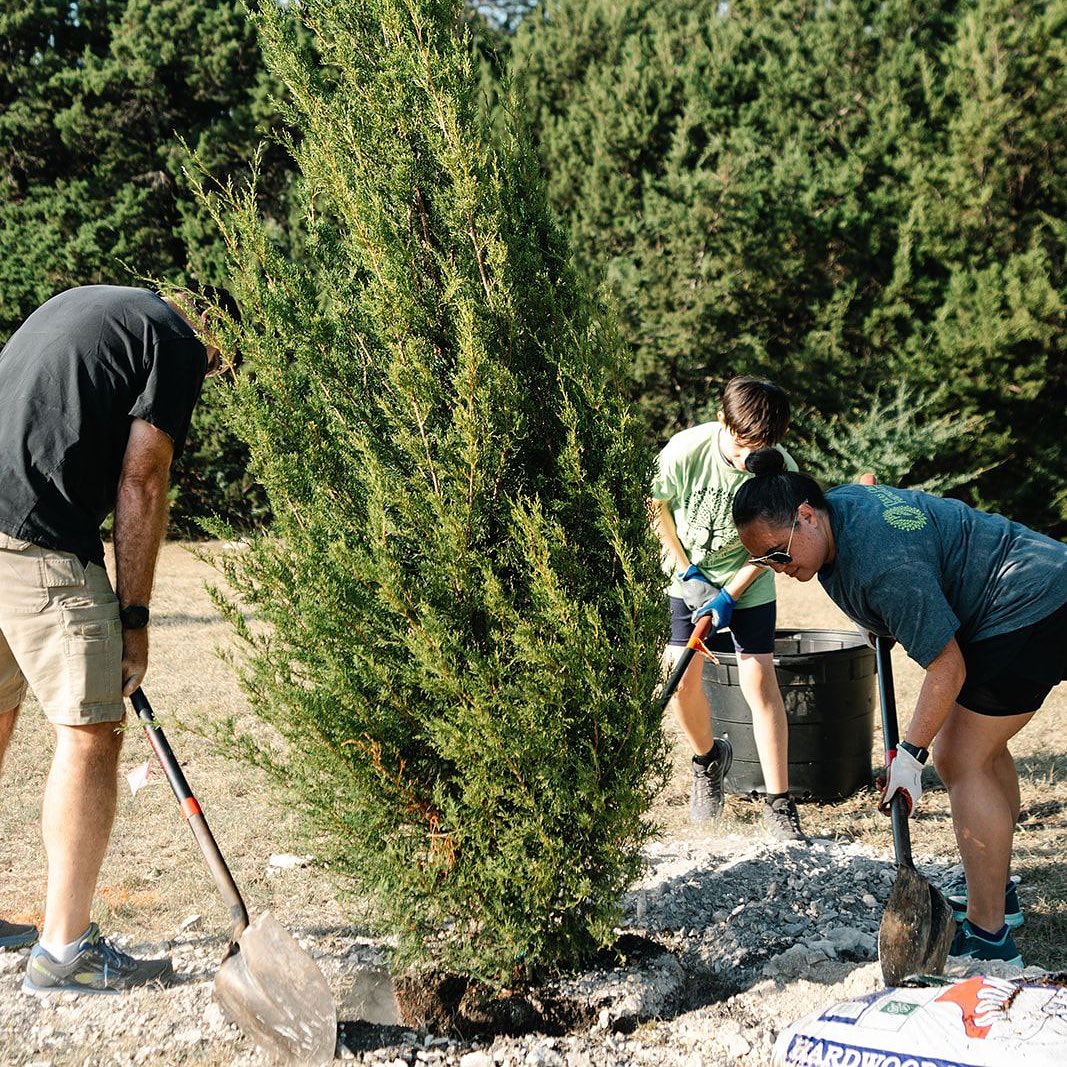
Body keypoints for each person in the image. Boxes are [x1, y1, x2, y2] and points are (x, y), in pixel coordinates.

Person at [731, 450, 1066, 964]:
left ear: (805, 516)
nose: (777, 568)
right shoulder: (838, 509)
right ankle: (996, 896)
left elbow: (947, 667)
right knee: (981, 750)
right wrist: (875, 621)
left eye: (778, 555)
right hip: (1036, 577)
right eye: (763, 561)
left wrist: (910, 755)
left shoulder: (884, 566)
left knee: (960, 758)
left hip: (1026, 604)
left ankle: (990, 937)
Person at [0, 284, 226, 992]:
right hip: (36, 537)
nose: (210, 375)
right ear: (214, 334)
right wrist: (133, 617)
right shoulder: (179, 341)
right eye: (221, 366)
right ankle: (65, 951)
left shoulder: (91, 305)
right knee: (92, 729)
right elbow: (143, 476)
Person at [651, 376, 806, 840]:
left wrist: (729, 594)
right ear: (722, 420)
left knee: (759, 681)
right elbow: (654, 507)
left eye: (759, 446)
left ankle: (779, 805)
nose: (746, 458)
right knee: (678, 676)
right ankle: (707, 762)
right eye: (741, 444)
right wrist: (688, 574)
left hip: (749, 579)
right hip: (687, 576)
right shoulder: (685, 450)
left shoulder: (780, 470)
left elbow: (776, 546)